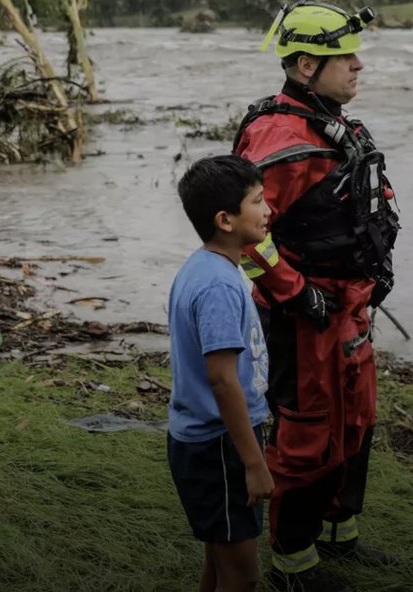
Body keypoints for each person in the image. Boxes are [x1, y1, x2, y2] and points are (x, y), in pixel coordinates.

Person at [232, 1, 401, 592]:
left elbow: (367, 196)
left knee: (357, 423)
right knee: (308, 438)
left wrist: (377, 269)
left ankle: (340, 535)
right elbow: (244, 233)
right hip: (307, 317)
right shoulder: (280, 135)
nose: (358, 66)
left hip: (350, 306)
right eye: (343, 57)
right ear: (305, 64)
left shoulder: (334, 121)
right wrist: (296, 294)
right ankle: (293, 561)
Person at [168, 155, 275, 592]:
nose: (268, 210)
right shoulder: (218, 286)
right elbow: (223, 379)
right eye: (258, 200)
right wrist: (254, 463)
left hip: (209, 442)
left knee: (219, 559)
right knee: (242, 576)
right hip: (221, 448)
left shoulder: (206, 267)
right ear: (225, 220)